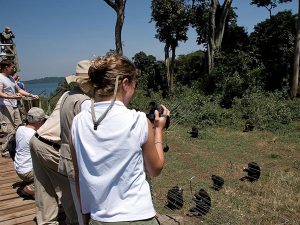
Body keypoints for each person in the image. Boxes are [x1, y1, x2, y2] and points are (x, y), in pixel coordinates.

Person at [70, 54, 170, 225]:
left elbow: (79, 175)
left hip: (98, 218)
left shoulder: (78, 121)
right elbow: (155, 169)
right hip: (138, 217)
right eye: (134, 84)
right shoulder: (137, 120)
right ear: (125, 83)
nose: (135, 89)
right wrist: (158, 130)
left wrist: (86, 216)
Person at [29, 60, 91, 225]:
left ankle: (47, 221)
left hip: (37, 139)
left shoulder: (67, 94)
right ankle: (74, 221)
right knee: (70, 189)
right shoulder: (84, 101)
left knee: (44, 188)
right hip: (52, 146)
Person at [58, 60, 91, 225]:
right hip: (77, 158)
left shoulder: (67, 96)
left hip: (65, 154)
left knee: (76, 205)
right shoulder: (84, 102)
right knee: (83, 208)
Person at [0, 60, 38, 157]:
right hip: (5, 105)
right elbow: (0, 93)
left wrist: (31, 95)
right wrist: (13, 97)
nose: (14, 69)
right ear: (6, 67)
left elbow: (19, 90)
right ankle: (5, 150)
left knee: (18, 126)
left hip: (14, 105)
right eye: (12, 67)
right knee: (7, 128)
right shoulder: (0, 78)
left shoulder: (11, 79)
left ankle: (14, 146)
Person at [14, 107, 47, 199]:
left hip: (19, 168)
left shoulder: (20, 129)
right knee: (52, 170)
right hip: (27, 172)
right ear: (39, 121)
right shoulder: (34, 136)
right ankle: (29, 189)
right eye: (44, 120)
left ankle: (32, 183)